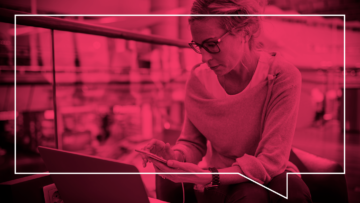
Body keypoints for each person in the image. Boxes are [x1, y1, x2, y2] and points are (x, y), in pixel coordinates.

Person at [141, 0, 312, 202]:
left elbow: (272, 159)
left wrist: (209, 176)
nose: (204, 58)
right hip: (221, 176)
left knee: (293, 193)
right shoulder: (199, 80)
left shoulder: (281, 76)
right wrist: (174, 156)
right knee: (251, 196)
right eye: (199, 46)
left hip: (265, 173)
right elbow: (192, 143)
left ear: (245, 33)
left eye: (212, 45)